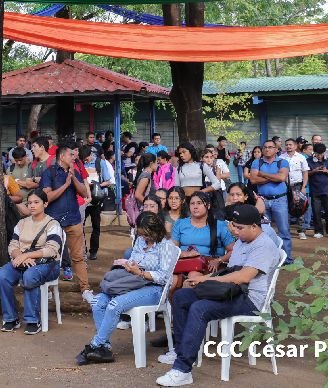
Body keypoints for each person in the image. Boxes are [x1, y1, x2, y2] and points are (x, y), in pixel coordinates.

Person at [156, 204, 281, 387]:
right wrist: (204, 278)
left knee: (200, 308)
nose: (235, 232)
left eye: (239, 228)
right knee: (182, 296)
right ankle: (181, 349)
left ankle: (182, 370)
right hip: (230, 291)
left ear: (254, 226)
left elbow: (243, 276)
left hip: (250, 300)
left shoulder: (264, 245)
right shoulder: (242, 240)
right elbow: (229, 270)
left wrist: (207, 282)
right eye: (233, 226)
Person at [76, 211, 171, 365]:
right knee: (97, 302)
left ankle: (94, 345)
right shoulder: (140, 241)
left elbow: (164, 277)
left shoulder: (165, 246)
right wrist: (128, 265)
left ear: (157, 230)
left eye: (147, 234)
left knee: (114, 305)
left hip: (154, 289)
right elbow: (133, 258)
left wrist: (141, 272)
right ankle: (104, 348)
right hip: (133, 282)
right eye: (142, 234)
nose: (145, 238)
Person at [0, 190, 63, 335]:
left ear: (45, 204)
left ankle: (33, 320)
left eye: (36, 202)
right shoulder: (22, 223)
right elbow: (12, 245)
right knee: (2, 276)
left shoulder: (52, 224)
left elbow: (51, 250)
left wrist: (27, 256)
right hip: (23, 260)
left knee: (30, 276)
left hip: (48, 264)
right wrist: (19, 256)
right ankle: (11, 318)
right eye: (30, 203)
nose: (32, 206)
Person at [38, 142, 92, 301]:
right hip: (53, 221)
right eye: (71, 155)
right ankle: (47, 286)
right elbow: (47, 197)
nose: (74, 157)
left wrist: (73, 178)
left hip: (74, 219)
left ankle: (85, 290)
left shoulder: (74, 171)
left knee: (78, 257)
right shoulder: (49, 173)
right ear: (62, 156)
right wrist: (65, 185)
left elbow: (83, 193)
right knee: (49, 255)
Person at [248, 140, 292, 263]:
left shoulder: (283, 162)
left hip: (280, 200)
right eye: (265, 147)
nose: (267, 149)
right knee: (264, 231)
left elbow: (282, 177)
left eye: (270, 147)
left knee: (284, 231)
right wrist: (274, 177)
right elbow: (253, 180)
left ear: (276, 149)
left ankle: (286, 260)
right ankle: (269, 260)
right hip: (262, 200)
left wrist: (262, 174)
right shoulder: (257, 162)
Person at [85, 148, 115, 261]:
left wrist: (97, 185)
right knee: (79, 226)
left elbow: (108, 180)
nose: (86, 161)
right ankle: (82, 250)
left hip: (96, 199)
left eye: (87, 158)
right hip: (83, 199)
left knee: (96, 226)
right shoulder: (80, 163)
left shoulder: (100, 163)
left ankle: (93, 251)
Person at [307, 143, 328, 239]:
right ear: (314, 152)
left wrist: (326, 171)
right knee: (316, 212)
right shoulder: (308, 161)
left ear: (324, 152)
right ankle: (318, 231)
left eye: (321, 154)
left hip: (327, 190)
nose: (319, 156)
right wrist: (314, 171)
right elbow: (306, 174)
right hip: (315, 190)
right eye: (317, 154)